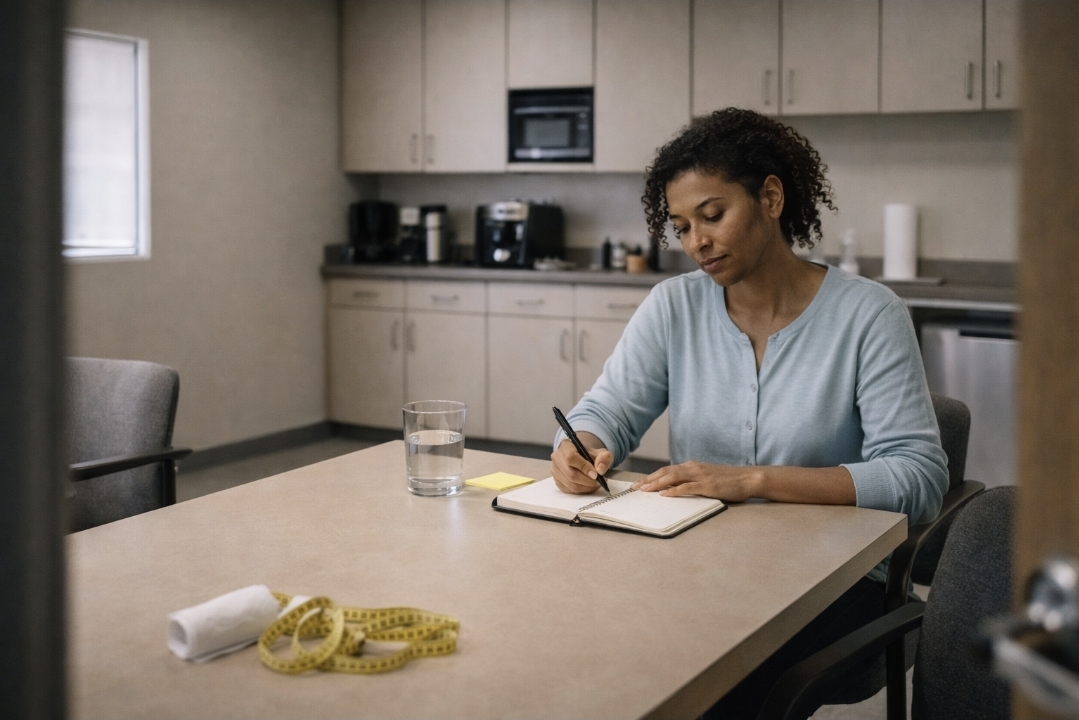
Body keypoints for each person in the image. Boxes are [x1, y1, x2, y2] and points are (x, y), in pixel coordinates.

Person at [549, 108, 948, 719]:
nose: (696, 242)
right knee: (596, 646)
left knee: (709, 681)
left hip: (833, 583)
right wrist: (580, 444)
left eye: (712, 216)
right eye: (681, 227)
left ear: (770, 196)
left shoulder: (870, 315)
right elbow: (607, 408)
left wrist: (753, 480)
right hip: (700, 563)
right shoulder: (672, 307)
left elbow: (917, 479)